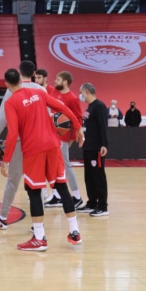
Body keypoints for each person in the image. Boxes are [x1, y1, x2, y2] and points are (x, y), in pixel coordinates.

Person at [3, 68, 83, 251]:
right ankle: (75, 232)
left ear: (7, 84)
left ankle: (39, 237)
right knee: (62, 187)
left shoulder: (10, 102)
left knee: (34, 190)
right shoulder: (38, 92)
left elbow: (13, 133)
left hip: (34, 149)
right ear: (22, 81)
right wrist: (77, 126)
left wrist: (5, 159)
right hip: (54, 145)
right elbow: (63, 108)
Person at [0, 65, 39, 230]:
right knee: (36, 183)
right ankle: (38, 224)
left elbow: (2, 118)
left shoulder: (12, 92)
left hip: (20, 143)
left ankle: (2, 218)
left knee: (13, 181)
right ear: (34, 74)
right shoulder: (40, 90)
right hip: (38, 142)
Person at [47, 70, 84, 209]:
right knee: (53, 166)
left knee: (65, 165)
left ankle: (77, 197)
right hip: (51, 135)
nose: (55, 81)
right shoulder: (53, 93)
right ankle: (57, 196)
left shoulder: (72, 98)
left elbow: (78, 118)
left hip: (63, 137)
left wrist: (72, 138)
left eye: (58, 79)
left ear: (65, 82)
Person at [76, 83, 109, 217]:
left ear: (87, 92)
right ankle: (92, 203)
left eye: (81, 92)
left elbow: (103, 126)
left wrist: (104, 144)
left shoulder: (99, 106)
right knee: (89, 177)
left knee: (98, 177)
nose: (81, 95)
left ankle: (103, 206)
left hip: (96, 148)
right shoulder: (90, 107)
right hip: (88, 147)